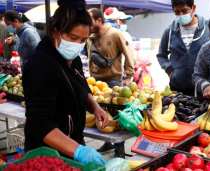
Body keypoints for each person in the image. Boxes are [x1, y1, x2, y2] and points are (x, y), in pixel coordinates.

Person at [23, 0, 108, 165]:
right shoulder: (42, 64)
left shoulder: (71, 57)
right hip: (48, 156)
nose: (77, 45)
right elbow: (39, 122)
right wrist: (78, 150)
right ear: (55, 32)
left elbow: (81, 84)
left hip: (71, 146)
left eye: (83, 40)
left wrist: (95, 107)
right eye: (73, 38)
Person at [157, 0, 210, 97]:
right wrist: (170, 71)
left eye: (184, 10)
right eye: (177, 12)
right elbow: (161, 55)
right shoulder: (170, 30)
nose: (181, 15)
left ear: (193, 8)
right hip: (177, 86)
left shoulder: (208, 29)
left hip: (202, 88)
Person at [87, 8, 134, 88]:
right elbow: (90, 59)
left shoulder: (116, 34)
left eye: (89, 22)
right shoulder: (89, 38)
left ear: (99, 20)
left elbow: (129, 54)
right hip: (95, 82)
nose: (87, 25)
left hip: (113, 82)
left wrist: (129, 77)